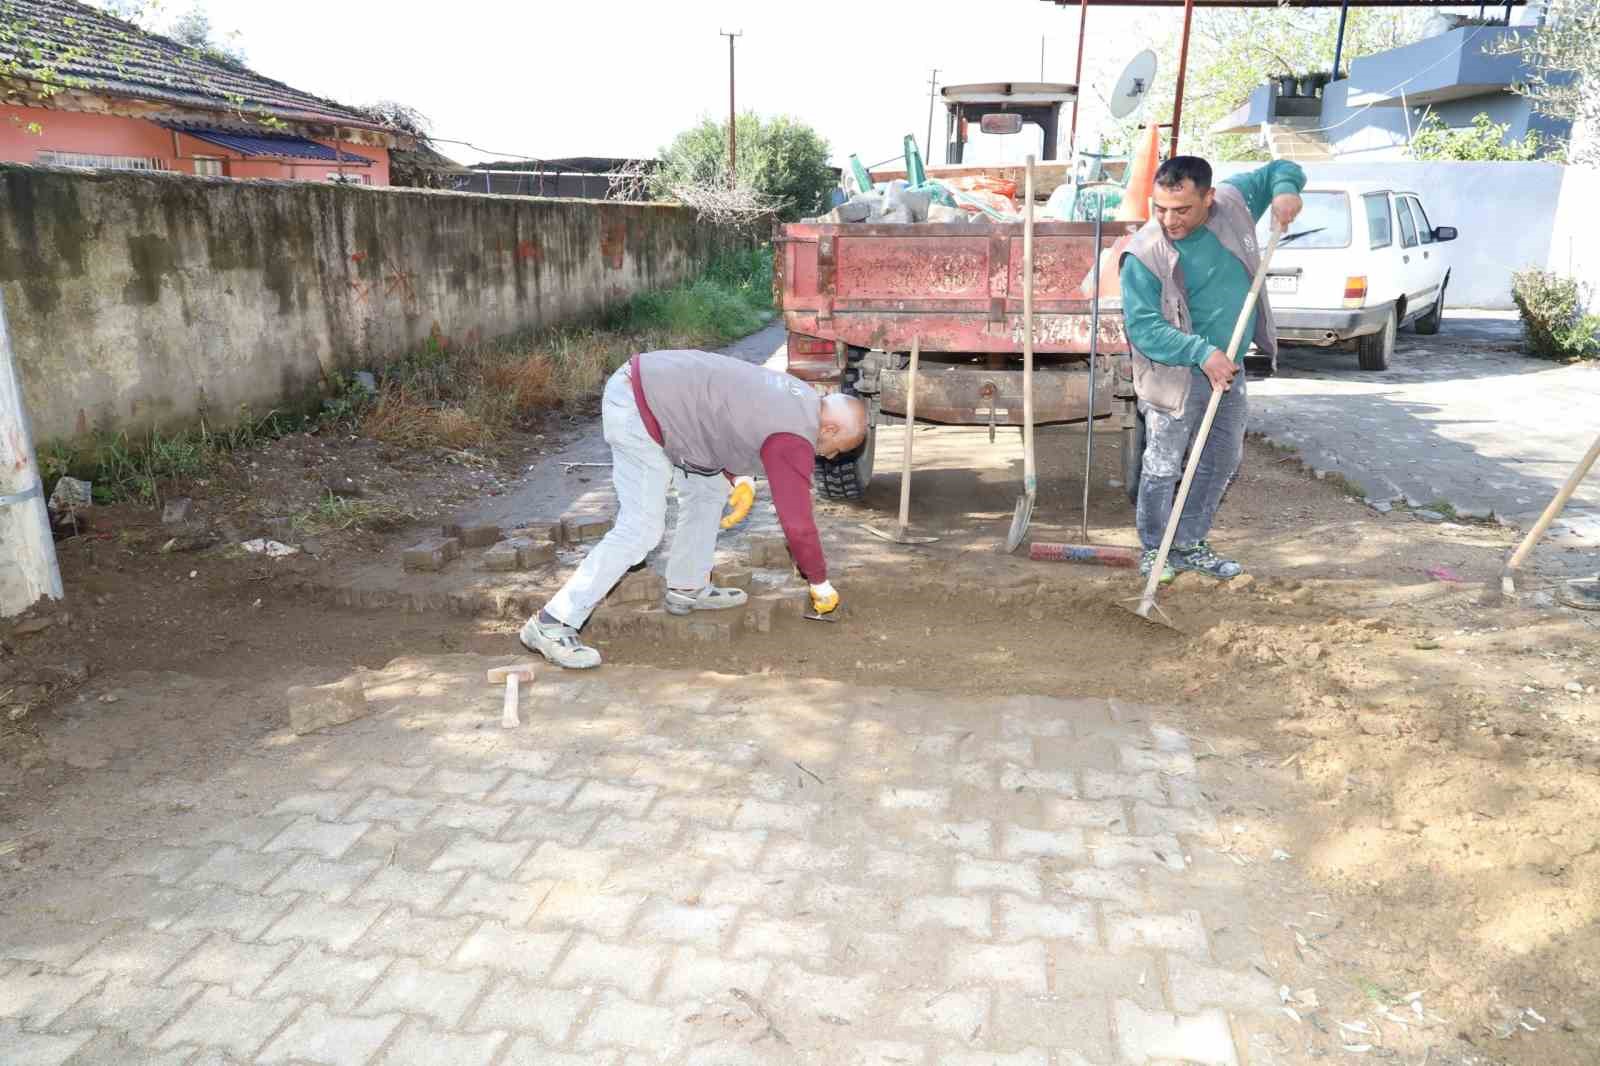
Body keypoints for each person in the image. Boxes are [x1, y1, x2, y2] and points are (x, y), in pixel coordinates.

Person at [520, 349, 869, 668]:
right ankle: (553, 622)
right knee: (640, 529)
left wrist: (741, 478)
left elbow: (731, 421)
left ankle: (687, 587)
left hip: (666, 404)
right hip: (641, 404)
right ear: (830, 427)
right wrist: (819, 581)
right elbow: (798, 524)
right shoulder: (796, 433)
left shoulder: (800, 400)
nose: (834, 456)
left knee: (708, 489)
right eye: (840, 447)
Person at [1119, 155, 1305, 582]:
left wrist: (1285, 191)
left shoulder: (1235, 204)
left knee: (1222, 458)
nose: (1169, 219)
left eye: (1182, 209)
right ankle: (1156, 550)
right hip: (1174, 374)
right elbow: (1145, 329)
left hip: (1229, 368)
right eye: (1160, 208)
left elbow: (1280, 166)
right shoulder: (1144, 253)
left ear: (1209, 197)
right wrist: (1202, 353)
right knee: (1163, 464)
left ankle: (1188, 542)